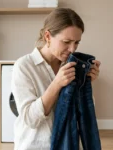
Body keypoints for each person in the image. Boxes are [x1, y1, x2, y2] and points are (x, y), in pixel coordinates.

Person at [11, 8, 101, 150]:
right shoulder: (24, 66)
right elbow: (30, 119)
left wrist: (86, 84)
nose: (72, 49)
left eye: (77, 42)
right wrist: (56, 84)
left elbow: (82, 112)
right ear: (47, 36)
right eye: (66, 42)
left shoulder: (72, 65)